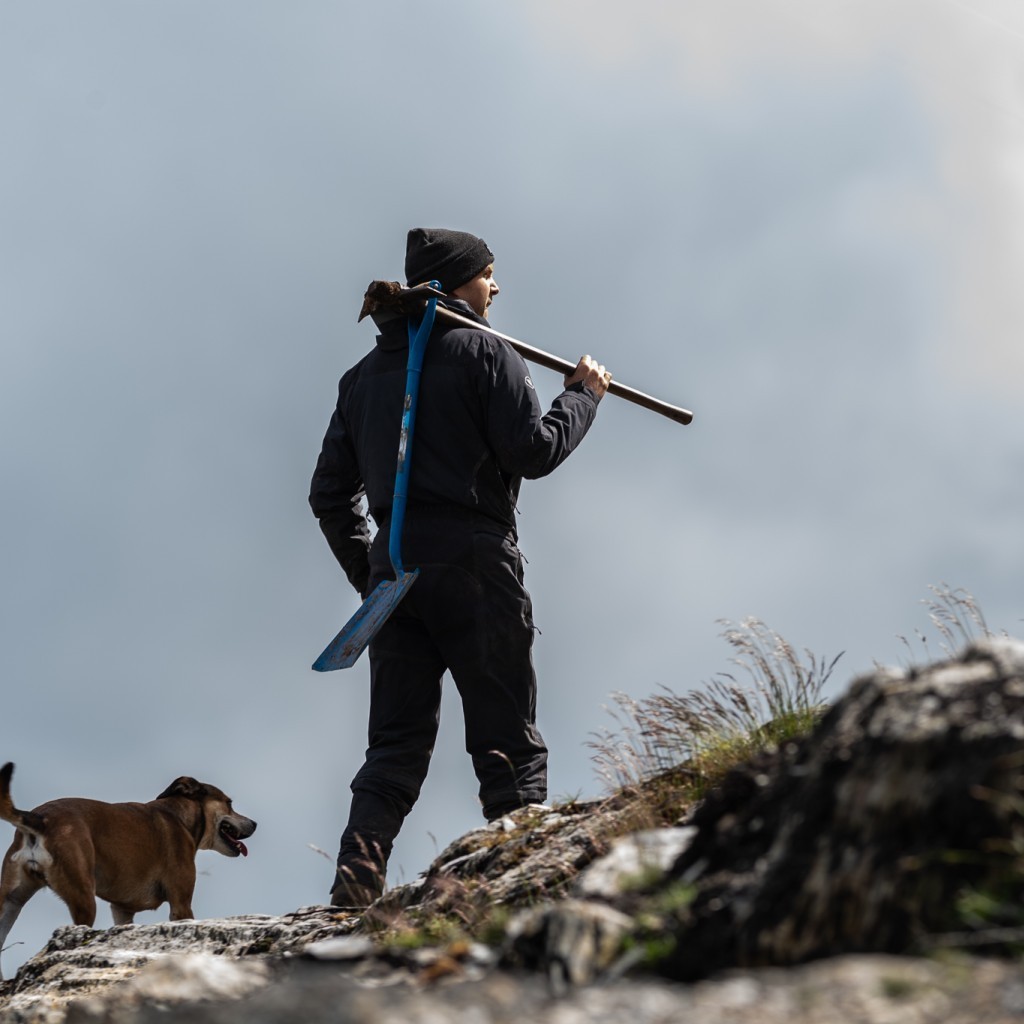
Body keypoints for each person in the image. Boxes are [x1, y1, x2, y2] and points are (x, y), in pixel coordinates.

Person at [309, 227, 611, 907]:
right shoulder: (487, 353)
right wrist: (582, 397)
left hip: (396, 579)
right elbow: (532, 452)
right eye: (489, 274)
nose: (497, 286)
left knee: (393, 749)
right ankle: (529, 883)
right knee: (507, 735)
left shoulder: (360, 380)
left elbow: (328, 495)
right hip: (476, 564)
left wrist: (374, 575)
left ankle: (353, 889)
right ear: (456, 283)